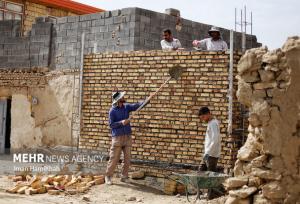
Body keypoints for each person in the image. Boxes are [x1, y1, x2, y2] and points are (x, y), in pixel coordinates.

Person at [105, 91, 143, 185]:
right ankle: (108, 176)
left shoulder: (126, 107)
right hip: (117, 138)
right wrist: (121, 122)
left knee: (127, 159)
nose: (124, 97)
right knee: (114, 159)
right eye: (122, 97)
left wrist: (147, 100)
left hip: (127, 136)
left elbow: (136, 105)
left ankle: (124, 176)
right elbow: (111, 125)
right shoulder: (112, 111)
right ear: (118, 100)